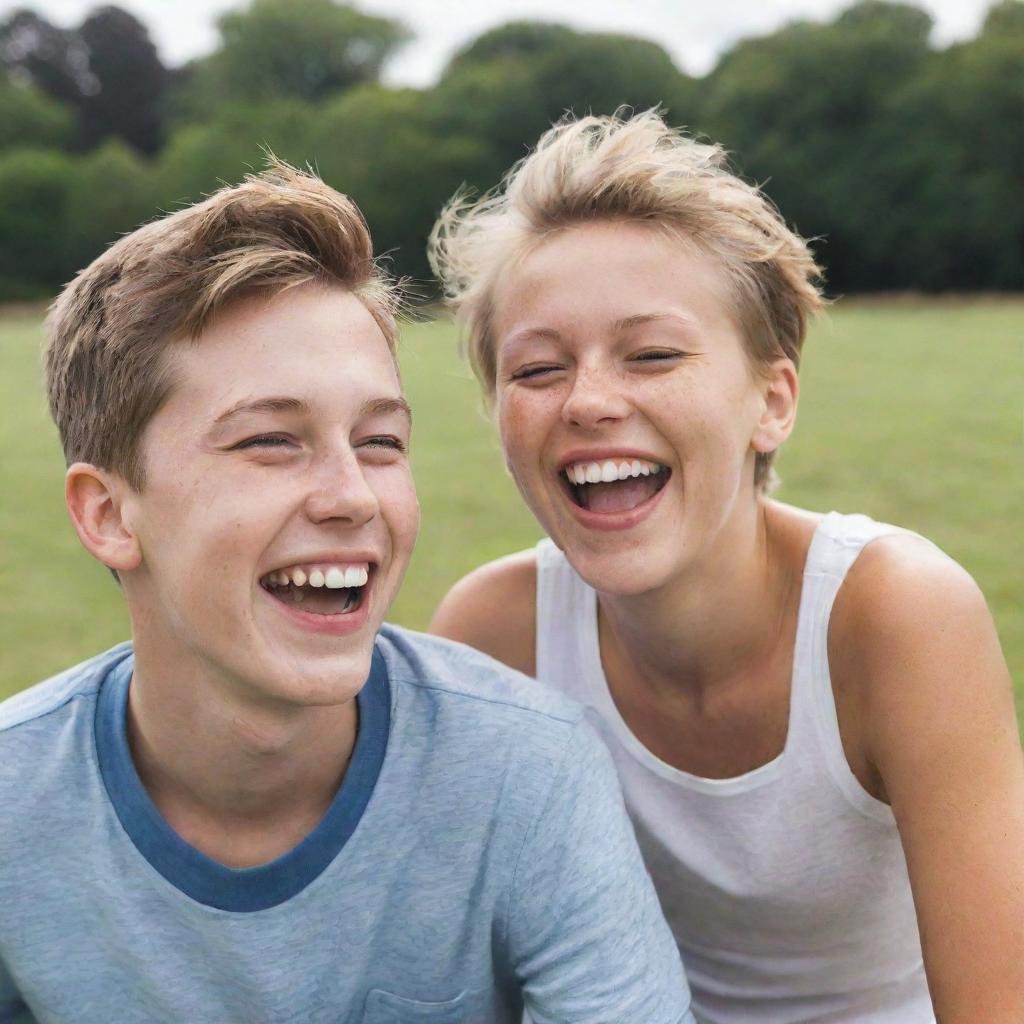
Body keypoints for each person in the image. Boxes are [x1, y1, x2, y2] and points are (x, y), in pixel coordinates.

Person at [0, 162, 697, 1024]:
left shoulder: (529, 774)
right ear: (108, 514)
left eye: (379, 441)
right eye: (269, 441)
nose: (353, 496)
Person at [428, 110, 1024, 1023]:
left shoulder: (894, 616)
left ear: (771, 400)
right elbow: (466, 979)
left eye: (654, 354)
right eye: (538, 369)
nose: (588, 400)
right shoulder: (496, 636)